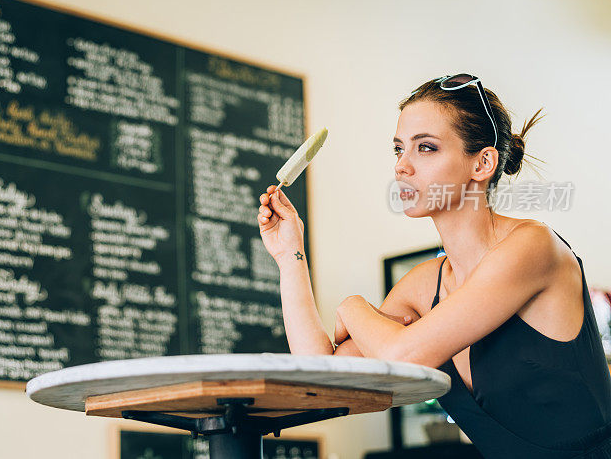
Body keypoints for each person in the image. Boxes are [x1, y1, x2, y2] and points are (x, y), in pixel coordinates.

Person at [256, 74, 611, 458]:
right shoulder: (424, 286)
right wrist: (290, 255)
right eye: (397, 150)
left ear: (483, 163)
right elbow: (321, 378)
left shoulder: (533, 246)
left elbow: (404, 354)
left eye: (425, 148)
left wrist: (351, 305)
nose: (402, 167)